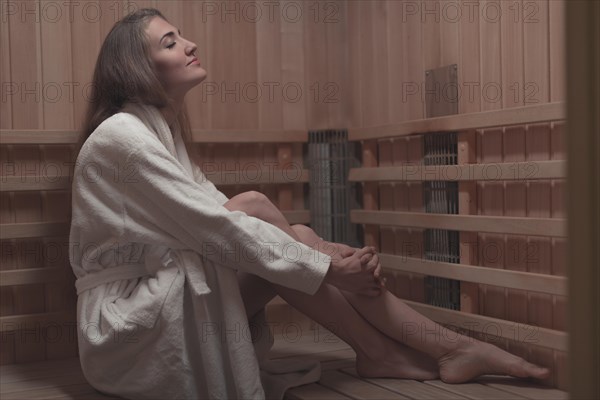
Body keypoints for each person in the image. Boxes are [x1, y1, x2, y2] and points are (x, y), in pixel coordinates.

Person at [69, 7, 551, 400]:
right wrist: (328, 265)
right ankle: (445, 347)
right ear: (137, 67)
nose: (190, 43)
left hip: (162, 297)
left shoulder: (156, 131)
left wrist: (320, 251)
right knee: (261, 210)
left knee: (288, 234)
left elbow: (213, 215)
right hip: (127, 331)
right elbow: (216, 227)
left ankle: (423, 349)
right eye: (170, 42)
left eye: (181, 35)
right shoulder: (123, 138)